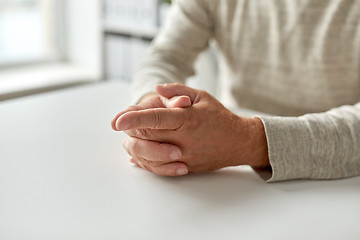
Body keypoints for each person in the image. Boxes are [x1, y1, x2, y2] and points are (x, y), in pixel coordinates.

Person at [111, 0, 360, 182]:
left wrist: (248, 142)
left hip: (342, 182)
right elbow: (165, 57)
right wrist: (153, 106)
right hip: (230, 179)